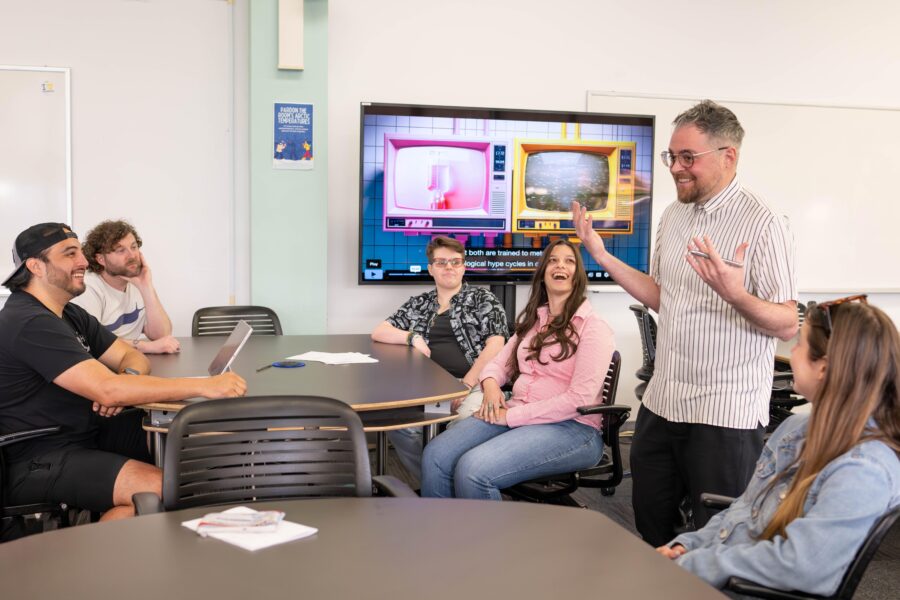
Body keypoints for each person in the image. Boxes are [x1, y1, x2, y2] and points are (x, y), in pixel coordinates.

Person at [574, 99, 798, 546]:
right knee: (651, 517)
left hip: (726, 412)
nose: (676, 167)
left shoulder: (765, 222)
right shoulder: (674, 215)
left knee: (718, 534)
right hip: (666, 399)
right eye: (671, 156)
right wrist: (600, 256)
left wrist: (735, 293)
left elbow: (788, 322)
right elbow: (663, 296)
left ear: (728, 156)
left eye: (687, 157)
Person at [0, 223, 247, 521]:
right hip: (41, 454)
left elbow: (129, 355)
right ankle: (89, 564)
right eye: (70, 254)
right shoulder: (29, 321)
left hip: (90, 429)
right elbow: (107, 389)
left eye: (80, 252)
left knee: (191, 442)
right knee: (163, 489)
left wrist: (125, 382)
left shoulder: (69, 313)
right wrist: (206, 386)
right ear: (36, 267)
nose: (83, 262)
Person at [657, 297, 900, 596]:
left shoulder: (864, 471)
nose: (792, 352)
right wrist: (686, 546)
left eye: (798, 344)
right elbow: (744, 511)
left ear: (823, 368)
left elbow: (801, 565)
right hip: (718, 573)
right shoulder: (796, 429)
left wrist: (692, 566)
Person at [420, 239, 615, 500]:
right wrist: (490, 385)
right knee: (436, 454)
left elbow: (578, 400)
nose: (561, 266)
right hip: (518, 413)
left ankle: (486, 541)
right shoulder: (536, 321)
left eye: (569, 261)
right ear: (544, 272)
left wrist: (512, 416)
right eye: (553, 260)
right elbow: (498, 364)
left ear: (577, 275)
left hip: (572, 428)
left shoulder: (593, 327)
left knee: (473, 469)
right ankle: (444, 536)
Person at [371, 236, 508, 482]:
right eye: (442, 262)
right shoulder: (420, 304)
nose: (449, 267)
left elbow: (497, 344)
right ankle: (439, 482)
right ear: (430, 268)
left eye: (456, 262)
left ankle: (444, 484)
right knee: (400, 425)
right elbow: (379, 331)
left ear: (464, 267)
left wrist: (464, 385)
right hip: (427, 389)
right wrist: (413, 337)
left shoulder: (483, 300)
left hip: (474, 385)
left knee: (462, 430)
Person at [71, 220, 179, 354]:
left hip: (129, 360)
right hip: (102, 366)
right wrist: (146, 346)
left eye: (134, 247)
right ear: (101, 259)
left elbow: (162, 335)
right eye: (121, 250)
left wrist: (147, 286)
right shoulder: (88, 288)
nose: (132, 255)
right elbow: (91, 341)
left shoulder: (136, 283)